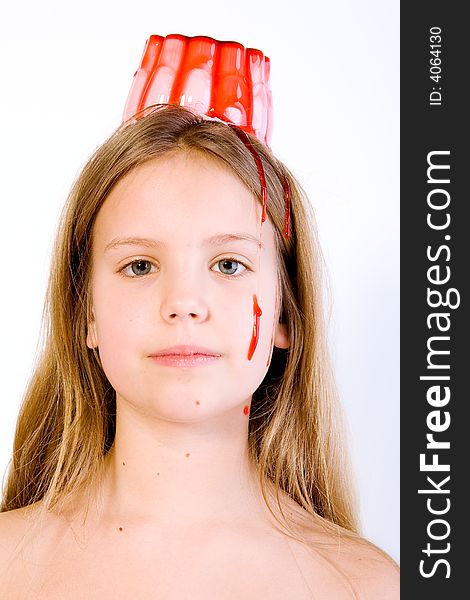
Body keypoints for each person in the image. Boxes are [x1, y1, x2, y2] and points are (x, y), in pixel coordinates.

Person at [0, 36, 399, 598]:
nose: (184, 302)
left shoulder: (370, 587)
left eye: (229, 264)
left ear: (286, 313)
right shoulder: (8, 567)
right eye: (140, 265)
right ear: (84, 311)